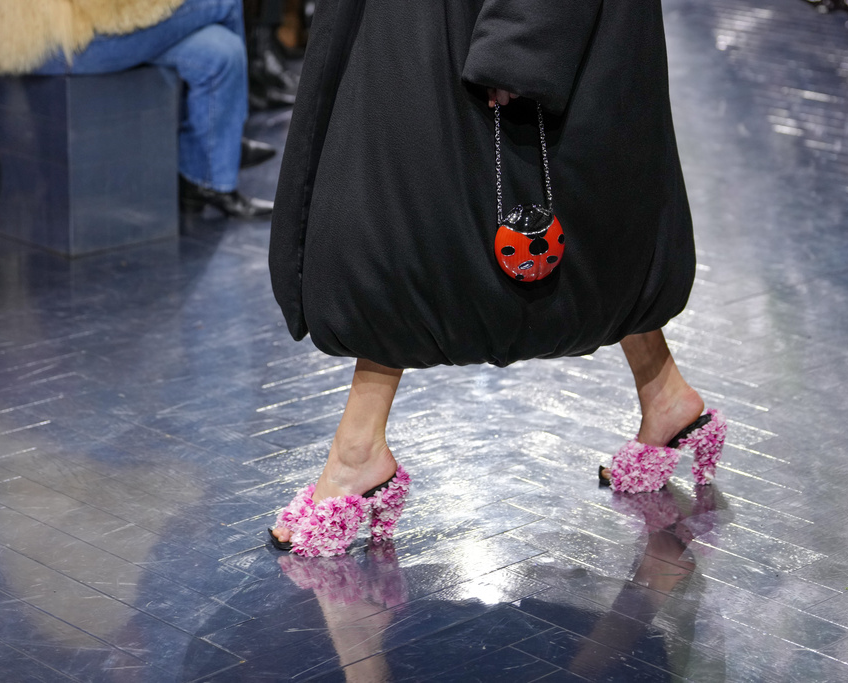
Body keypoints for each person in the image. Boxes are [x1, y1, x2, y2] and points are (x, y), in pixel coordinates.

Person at [267, 0, 728, 557]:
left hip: (494, 30)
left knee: (405, 235)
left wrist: (521, 43)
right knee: (584, 233)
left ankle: (358, 451)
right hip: (459, 26)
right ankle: (666, 396)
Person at [0, 0, 275, 218]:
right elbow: (110, 10)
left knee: (221, 51)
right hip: (58, 37)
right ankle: (227, 146)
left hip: (65, 26)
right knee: (224, 1)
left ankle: (206, 180)